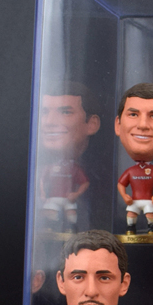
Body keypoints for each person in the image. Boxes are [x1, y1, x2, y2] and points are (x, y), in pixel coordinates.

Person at [115, 83, 153, 235]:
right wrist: (125, 196)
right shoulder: (131, 171)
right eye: (133, 115)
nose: (143, 125)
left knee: (150, 215)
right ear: (118, 125)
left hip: (150, 202)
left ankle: (151, 229)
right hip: (134, 201)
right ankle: (131, 229)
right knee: (132, 215)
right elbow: (121, 184)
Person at [39, 82, 101, 231]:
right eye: (44, 112)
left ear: (91, 124)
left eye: (65, 112)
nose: (49, 122)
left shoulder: (101, 177)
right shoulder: (29, 170)